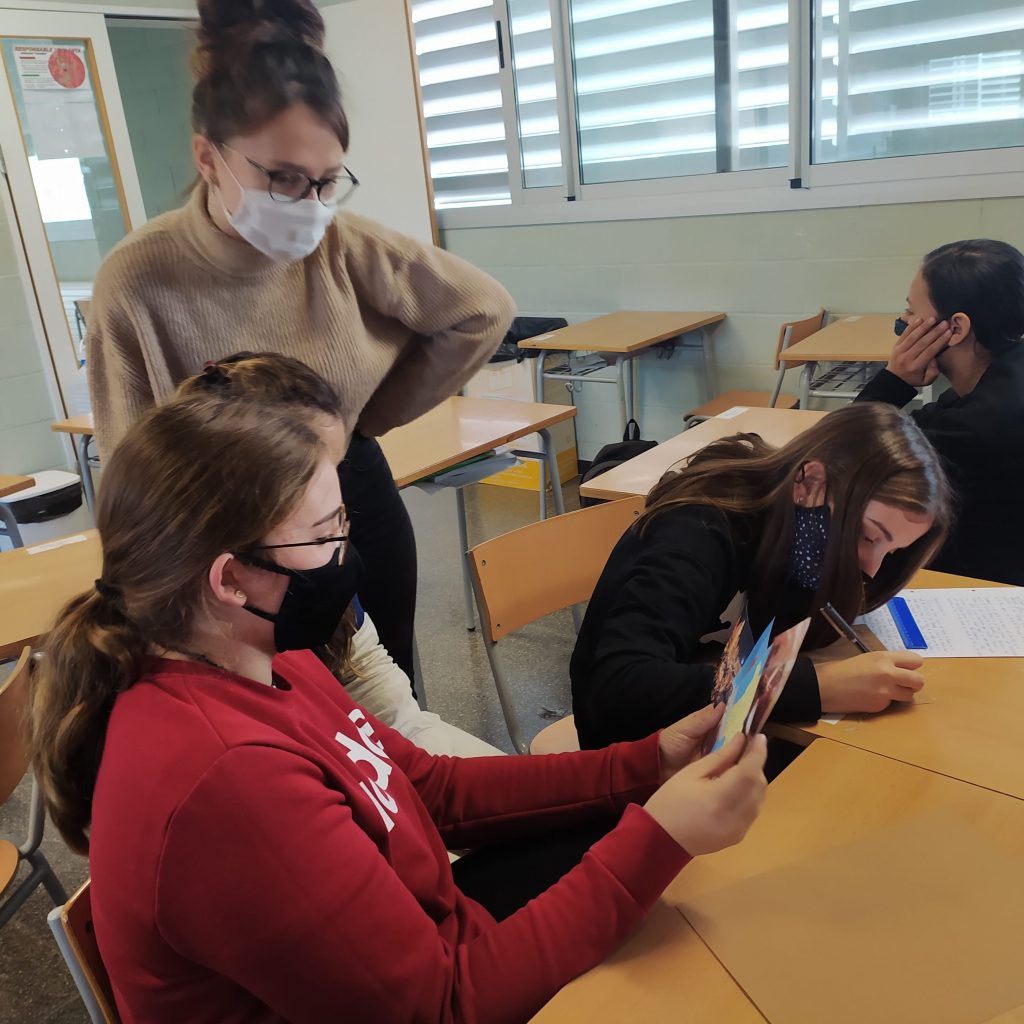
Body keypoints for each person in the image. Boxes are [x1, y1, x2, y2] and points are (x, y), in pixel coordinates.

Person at [30, 396, 766, 1023]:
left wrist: (646, 763)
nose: (347, 551)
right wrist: (660, 838)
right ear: (230, 580)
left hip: (435, 944)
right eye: (326, 533)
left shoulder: (265, 655)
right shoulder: (227, 779)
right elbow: (442, 1006)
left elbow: (425, 787)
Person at [84, 0, 516, 689]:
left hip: (350, 494)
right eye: (282, 178)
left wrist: (364, 422)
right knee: (279, 717)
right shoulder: (138, 279)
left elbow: (481, 310)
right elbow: (127, 474)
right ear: (208, 157)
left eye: (326, 182)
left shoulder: (340, 243)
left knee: (386, 702)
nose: (309, 205)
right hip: (230, 539)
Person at [571, 403, 952, 750]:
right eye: (867, 536)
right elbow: (618, 691)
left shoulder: (799, 536)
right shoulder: (696, 530)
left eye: (892, 551)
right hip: (637, 762)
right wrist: (817, 687)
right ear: (809, 483)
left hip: (723, 735)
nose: (872, 569)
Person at [177, 351, 502, 757]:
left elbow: (388, 704)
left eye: (338, 468)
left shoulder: (308, 568)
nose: (340, 543)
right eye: (313, 480)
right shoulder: (205, 687)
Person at [856, 238, 1024, 585]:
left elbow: (843, 454)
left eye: (911, 312)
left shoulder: (974, 429)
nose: (903, 322)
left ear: (956, 328)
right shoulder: (1000, 381)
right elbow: (920, 423)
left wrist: (893, 381)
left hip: (982, 587)